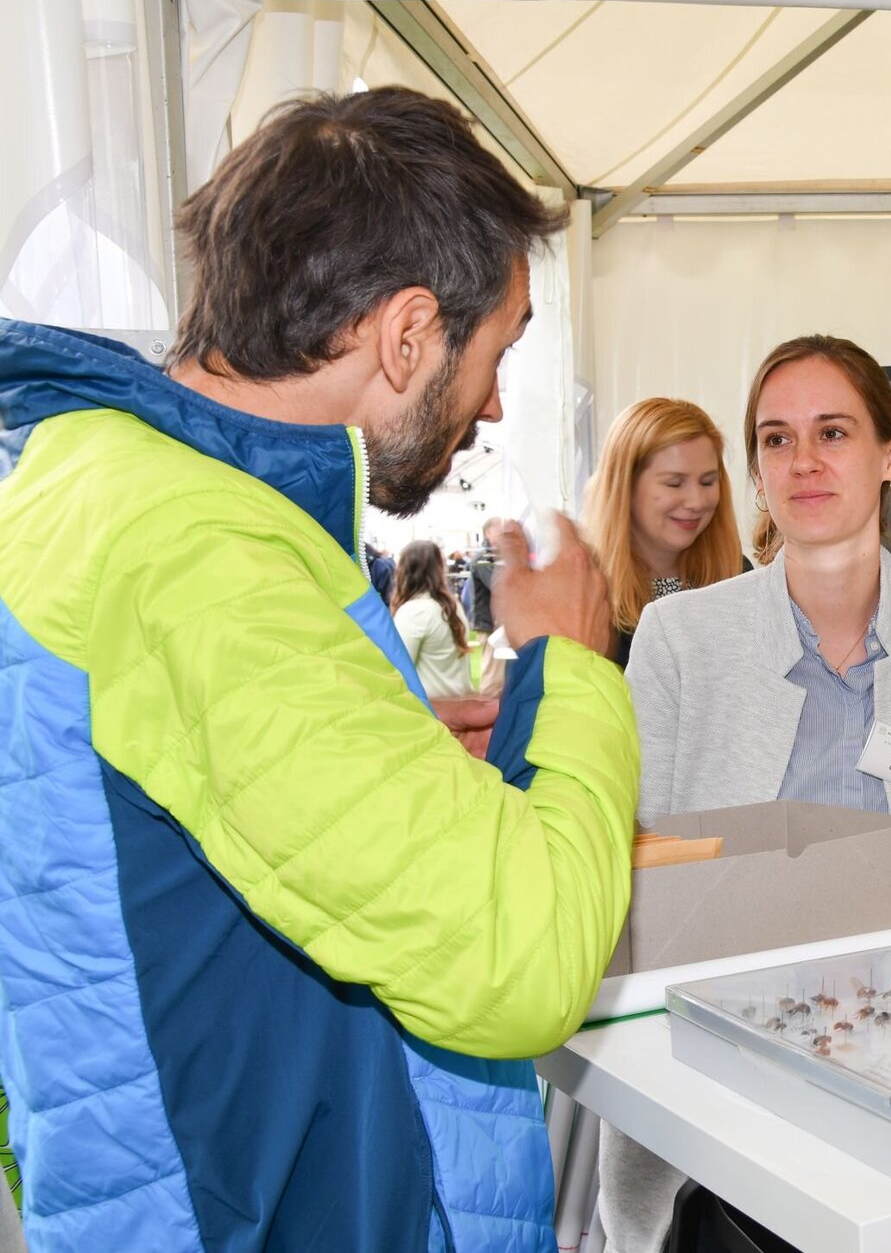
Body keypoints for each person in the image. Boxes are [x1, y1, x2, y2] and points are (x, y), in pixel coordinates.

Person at [0, 87, 639, 1252]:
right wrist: (571, 657)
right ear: (403, 335)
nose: (493, 404)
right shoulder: (197, 553)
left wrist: (397, 741)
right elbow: (524, 955)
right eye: (494, 351)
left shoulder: (108, 481)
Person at [604, 335, 891, 1250]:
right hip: (719, 1057)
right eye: (774, 438)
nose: (801, 460)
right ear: (754, 470)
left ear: (890, 455)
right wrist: (859, 884)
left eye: (832, 432)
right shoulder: (683, 639)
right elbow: (640, 857)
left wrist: (809, 887)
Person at [581, 396, 748, 666]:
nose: (696, 502)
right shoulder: (583, 589)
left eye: (707, 482)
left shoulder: (737, 574)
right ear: (625, 486)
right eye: (674, 483)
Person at [392, 539, 476, 701]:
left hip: (433, 709)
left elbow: (399, 669)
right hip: (457, 703)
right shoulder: (452, 606)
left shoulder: (415, 611)